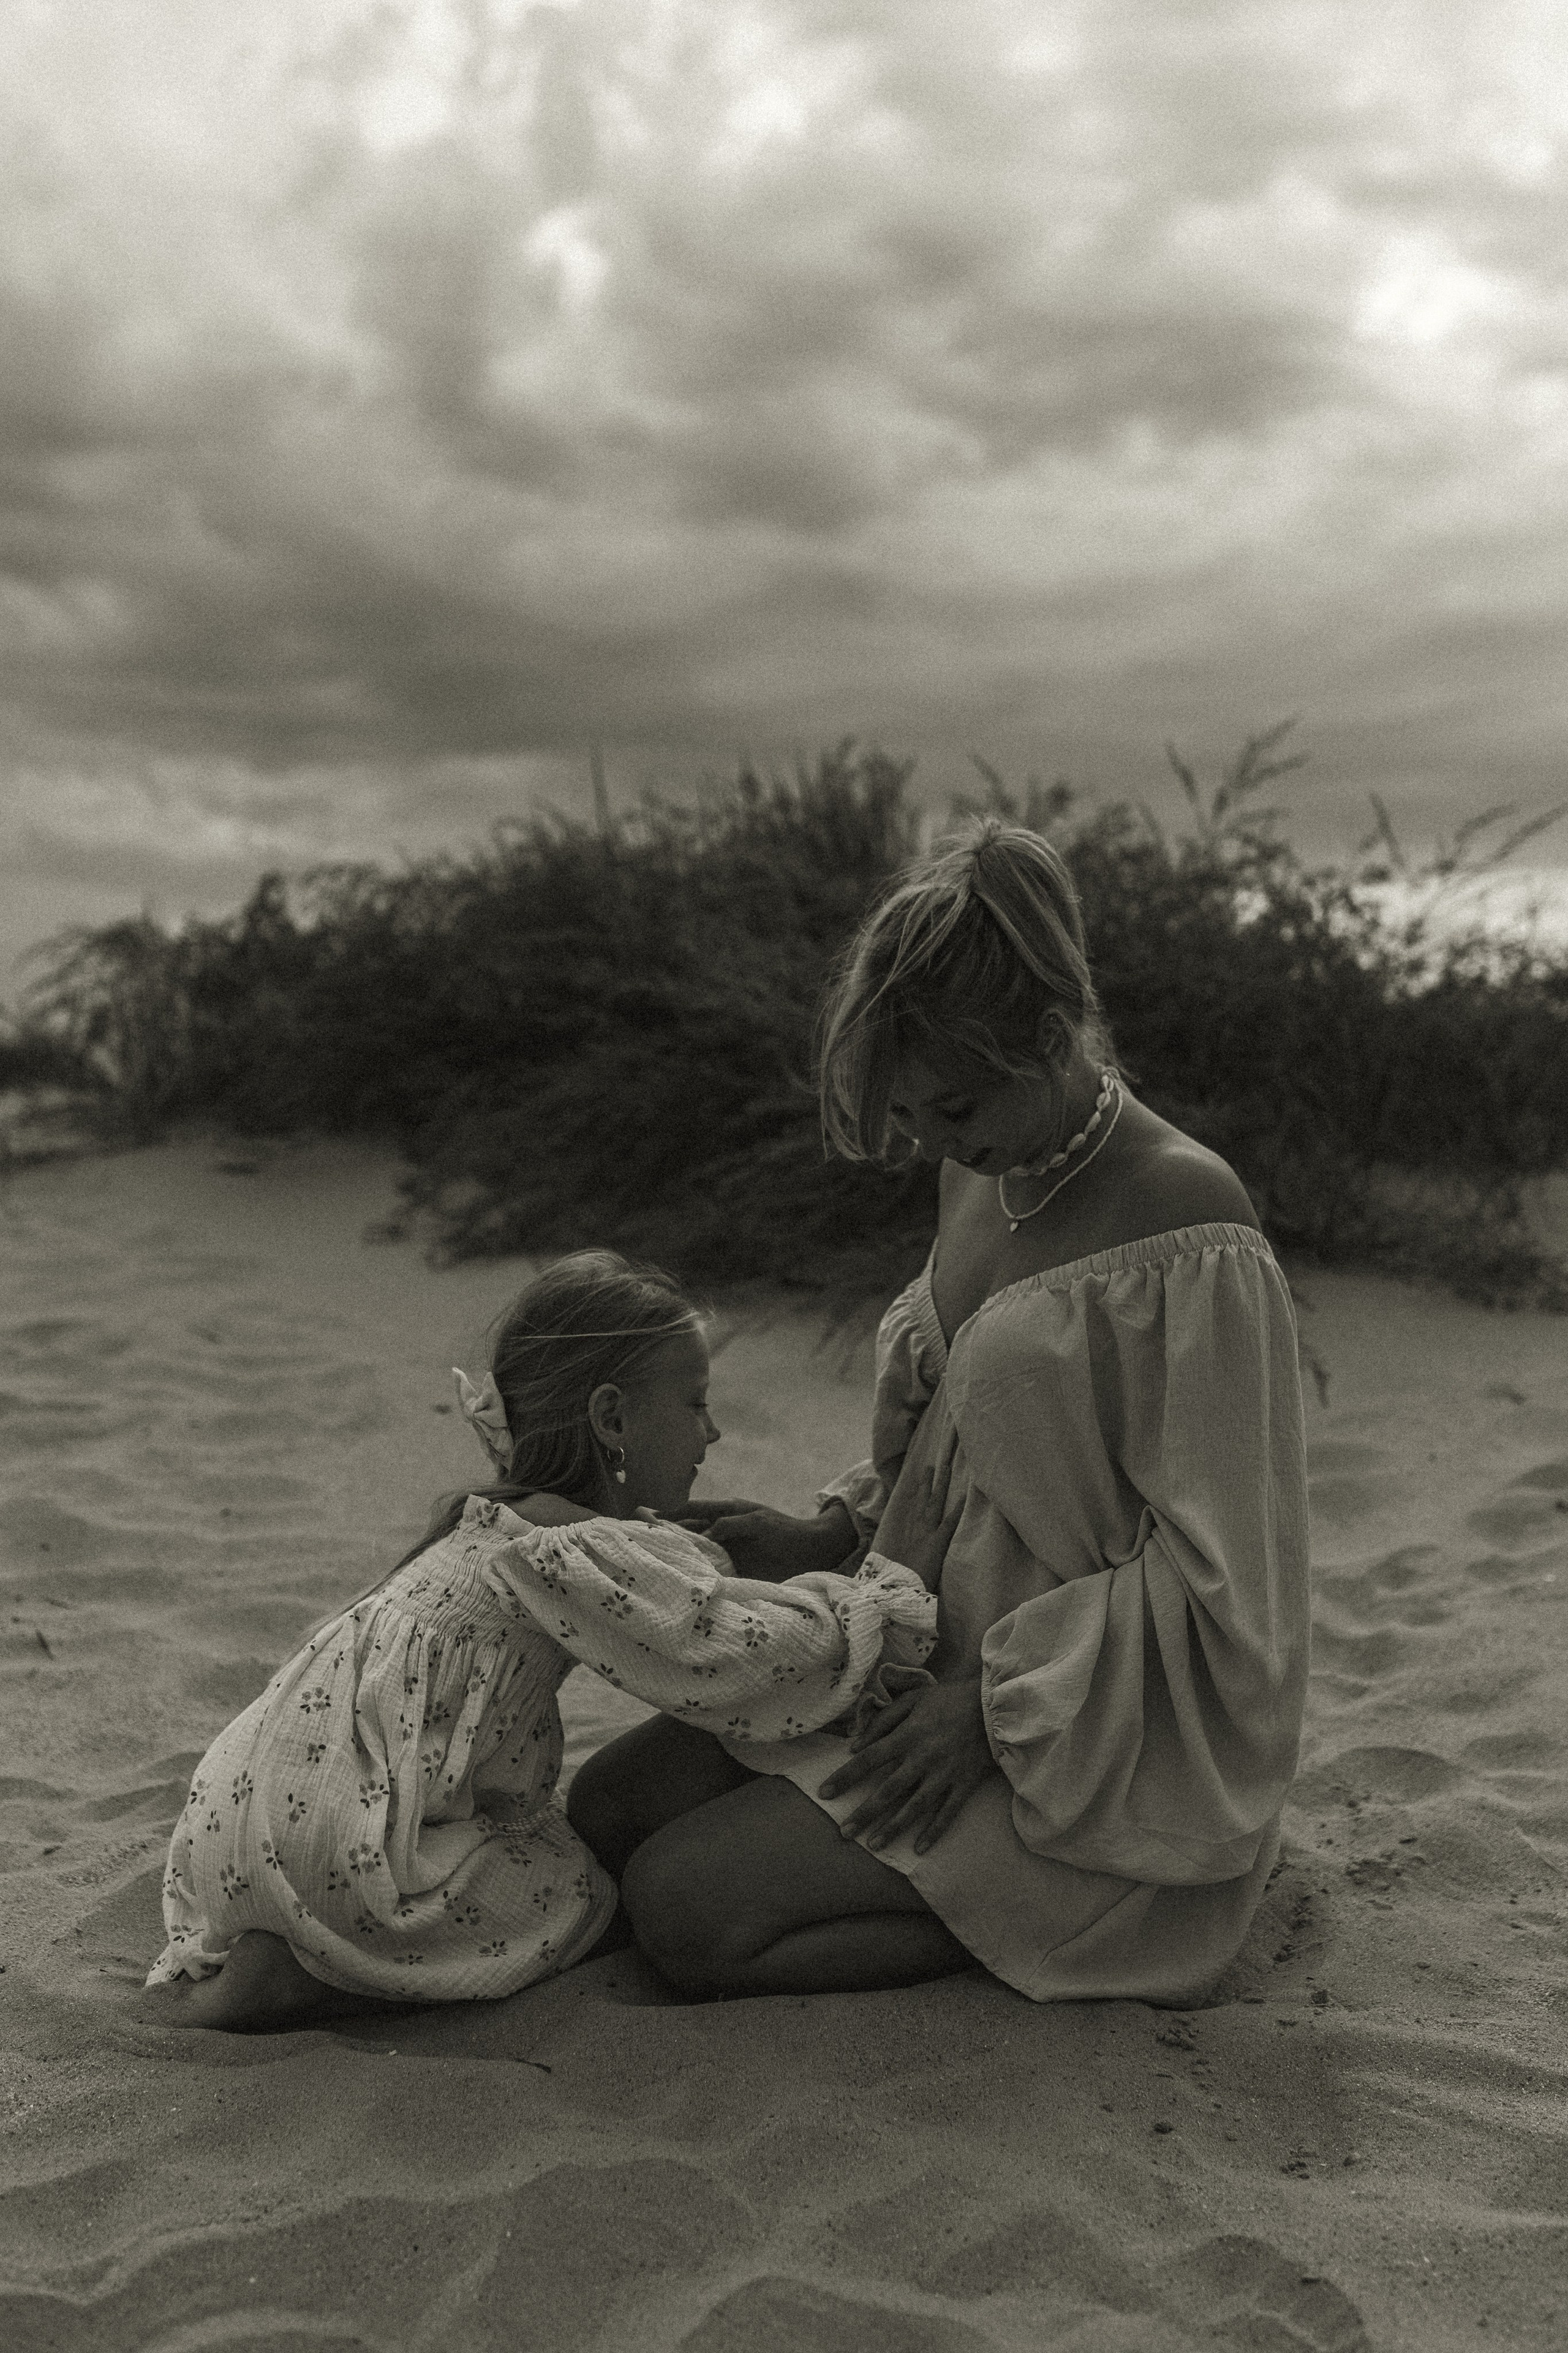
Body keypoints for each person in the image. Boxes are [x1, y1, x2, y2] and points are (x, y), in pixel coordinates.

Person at [567, 820, 1311, 2005]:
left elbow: (1237, 1581)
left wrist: (993, 1709)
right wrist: (828, 1535)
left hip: (1075, 1728)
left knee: (683, 1913)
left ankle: (1077, 1924)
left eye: (952, 1107)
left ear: (1056, 1034)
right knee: (603, 1815)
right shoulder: (983, 1160)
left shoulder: (1187, 1217)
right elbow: (963, 1442)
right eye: (916, 1115)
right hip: (907, 1647)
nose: (935, 1141)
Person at [141, 1250, 937, 2031]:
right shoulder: (574, 1549)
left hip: (237, 1816)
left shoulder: (489, 1517)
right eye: (695, 1405)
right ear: (613, 1419)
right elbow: (731, 1654)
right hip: (352, 1848)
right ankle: (314, 1973)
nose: (714, 1430)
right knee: (584, 1896)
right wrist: (874, 1604)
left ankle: (291, 1941)